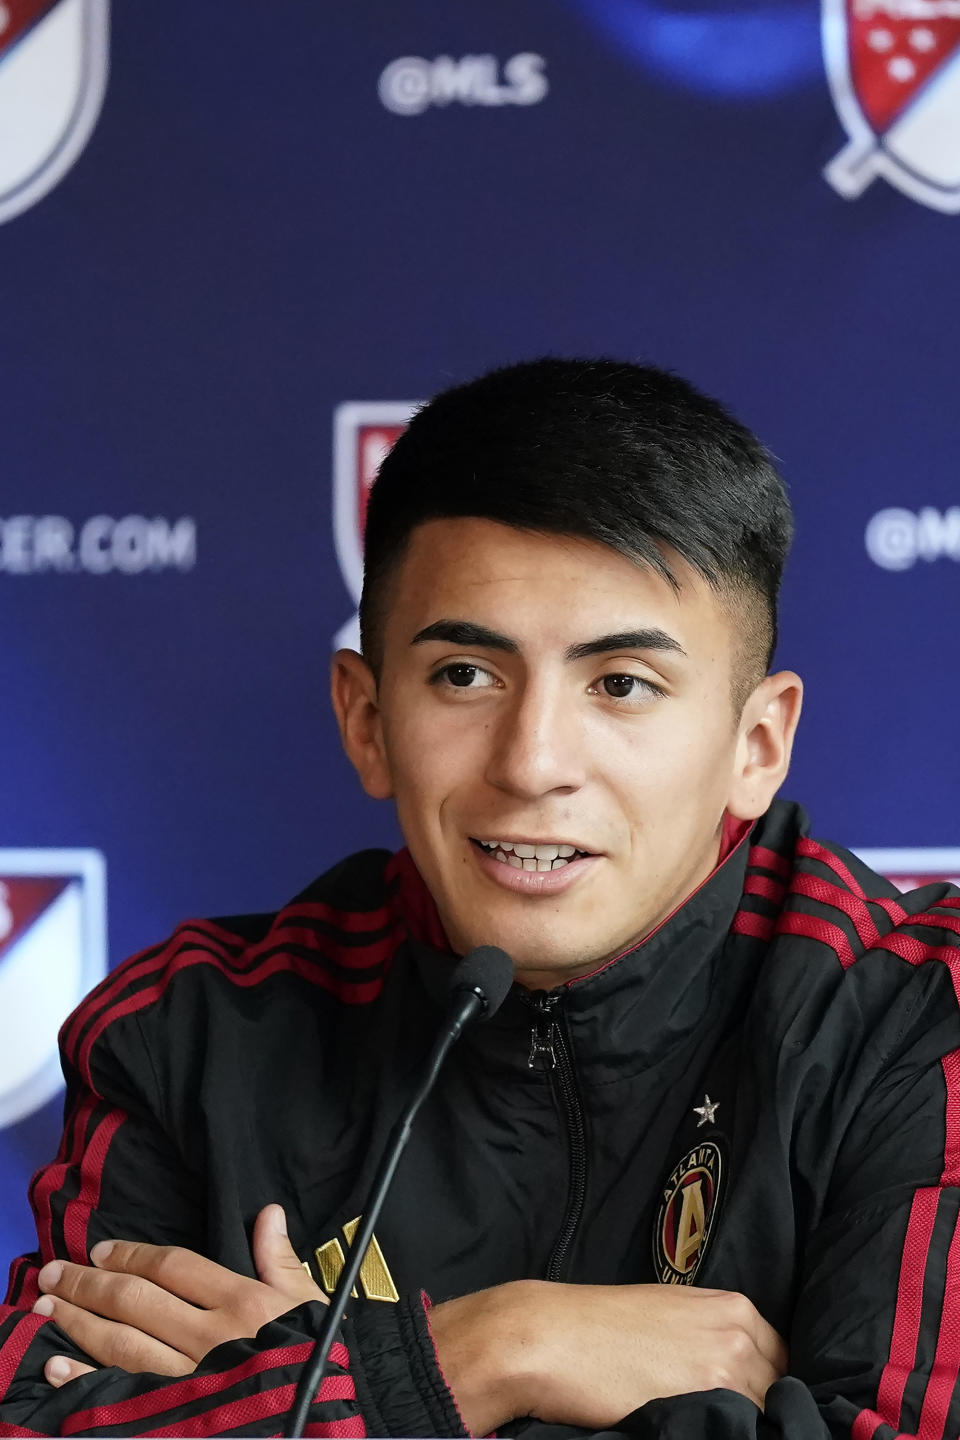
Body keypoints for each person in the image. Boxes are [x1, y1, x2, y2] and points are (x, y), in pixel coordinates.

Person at [1, 357, 958, 1440]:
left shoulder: (914, 1018)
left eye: (621, 686)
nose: (534, 761)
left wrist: (303, 1387)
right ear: (367, 718)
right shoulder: (195, 1031)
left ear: (757, 744)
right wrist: (482, 1356)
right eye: (466, 674)